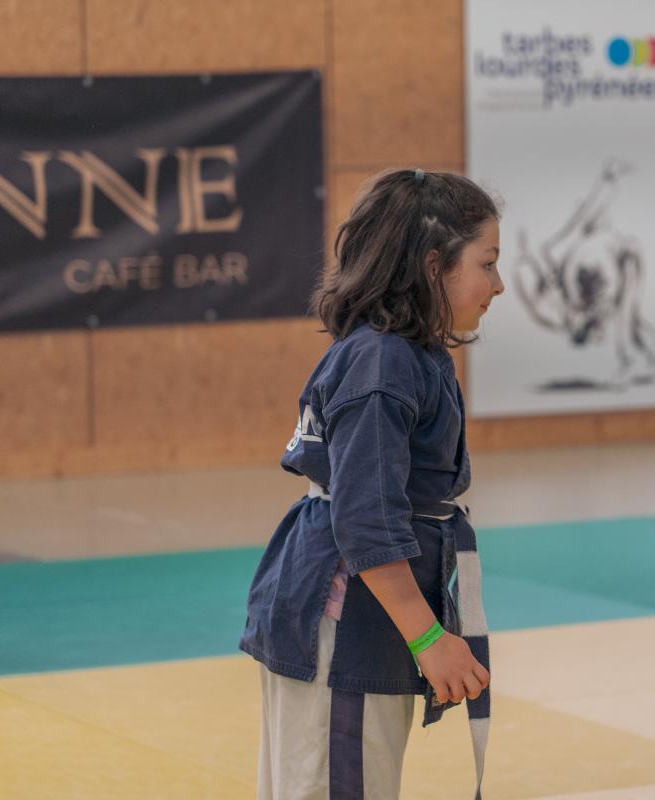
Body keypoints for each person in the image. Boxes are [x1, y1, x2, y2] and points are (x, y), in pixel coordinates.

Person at [239, 169, 504, 799]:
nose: (498, 284)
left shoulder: (404, 354)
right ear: (434, 266)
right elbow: (366, 520)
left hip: (355, 619)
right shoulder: (383, 364)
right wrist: (428, 636)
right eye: (487, 263)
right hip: (342, 626)